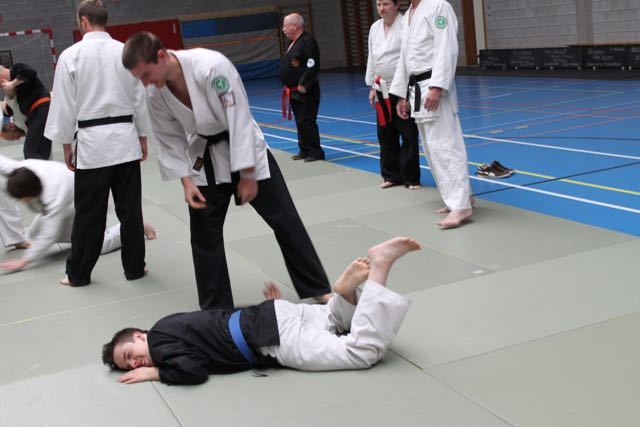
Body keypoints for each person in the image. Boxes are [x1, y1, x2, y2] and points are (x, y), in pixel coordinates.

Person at [121, 31, 332, 310]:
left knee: (285, 218)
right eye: (139, 78)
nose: (145, 83)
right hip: (205, 156)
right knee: (203, 234)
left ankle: (317, 287)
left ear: (161, 56)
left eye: (146, 74)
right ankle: (215, 308)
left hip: (245, 148)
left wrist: (247, 175)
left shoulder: (211, 67)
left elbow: (239, 118)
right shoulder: (154, 91)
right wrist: (186, 182)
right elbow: (168, 138)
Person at [102, 236, 419, 385]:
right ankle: (344, 294)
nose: (136, 364)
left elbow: (194, 370)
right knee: (333, 320)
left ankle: (379, 266)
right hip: (271, 315)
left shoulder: (159, 342)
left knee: (359, 352)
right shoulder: (169, 325)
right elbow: (214, 325)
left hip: (271, 338)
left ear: (140, 335)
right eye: (129, 366)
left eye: (130, 355)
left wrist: (156, 373)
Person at [44, 0, 152, 286]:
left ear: (83, 20)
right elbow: (139, 98)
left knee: (89, 214)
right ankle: (135, 268)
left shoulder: (71, 55)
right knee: (130, 210)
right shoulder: (125, 52)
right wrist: (142, 137)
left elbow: (64, 104)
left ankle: (78, 275)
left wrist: (66, 145)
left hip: (92, 145)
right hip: (126, 139)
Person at [389, 0, 474, 228]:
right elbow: (405, 58)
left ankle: (461, 205)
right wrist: (401, 95)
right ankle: (458, 198)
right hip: (416, 88)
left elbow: (447, 47)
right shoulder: (409, 14)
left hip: (433, 87)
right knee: (432, 149)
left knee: (446, 146)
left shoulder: (438, 6)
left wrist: (437, 86)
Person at [0, 155, 156, 272]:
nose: (22, 202)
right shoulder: (19, 169)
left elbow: (49, 234)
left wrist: (24, 261)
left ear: (31, 193)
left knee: (96, 245)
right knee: (34, 234)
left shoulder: (54, 196)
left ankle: (135, 227)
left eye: (24, 199)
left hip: (90, 200)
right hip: (68, 200)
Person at [365, 0, 421, 190]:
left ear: (397, 5)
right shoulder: (375, 28)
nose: (381, 8)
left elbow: (408, 58)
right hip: (381, 88)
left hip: (402, 88)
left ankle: (411, 178)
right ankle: (391, 175)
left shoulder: (405, 24)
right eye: (378, 4)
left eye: (386, 4)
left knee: (408, 134)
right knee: (385, 133)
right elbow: (372, 58)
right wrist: (372, 86)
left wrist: (404, 92)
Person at [279, 13, 325, 162]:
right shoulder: (293, 42)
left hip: (306, 91)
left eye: (285, 26)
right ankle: (304, 149)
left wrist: (304, 84)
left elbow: (313, 65)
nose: (283, 29)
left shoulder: (308, 41)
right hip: (293, 91)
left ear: (295, 26)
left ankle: (315, 152)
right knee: (300, 121)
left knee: (307, 121)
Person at [0, 63, 52, 160]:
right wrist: (8, 96)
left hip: (40, 108)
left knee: (32, 152)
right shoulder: (16, 88)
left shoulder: (16, 69)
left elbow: (30, 72)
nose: (1, 87)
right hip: (35, 113)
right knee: (35, 152)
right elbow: (9, 110)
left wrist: (12, 84)